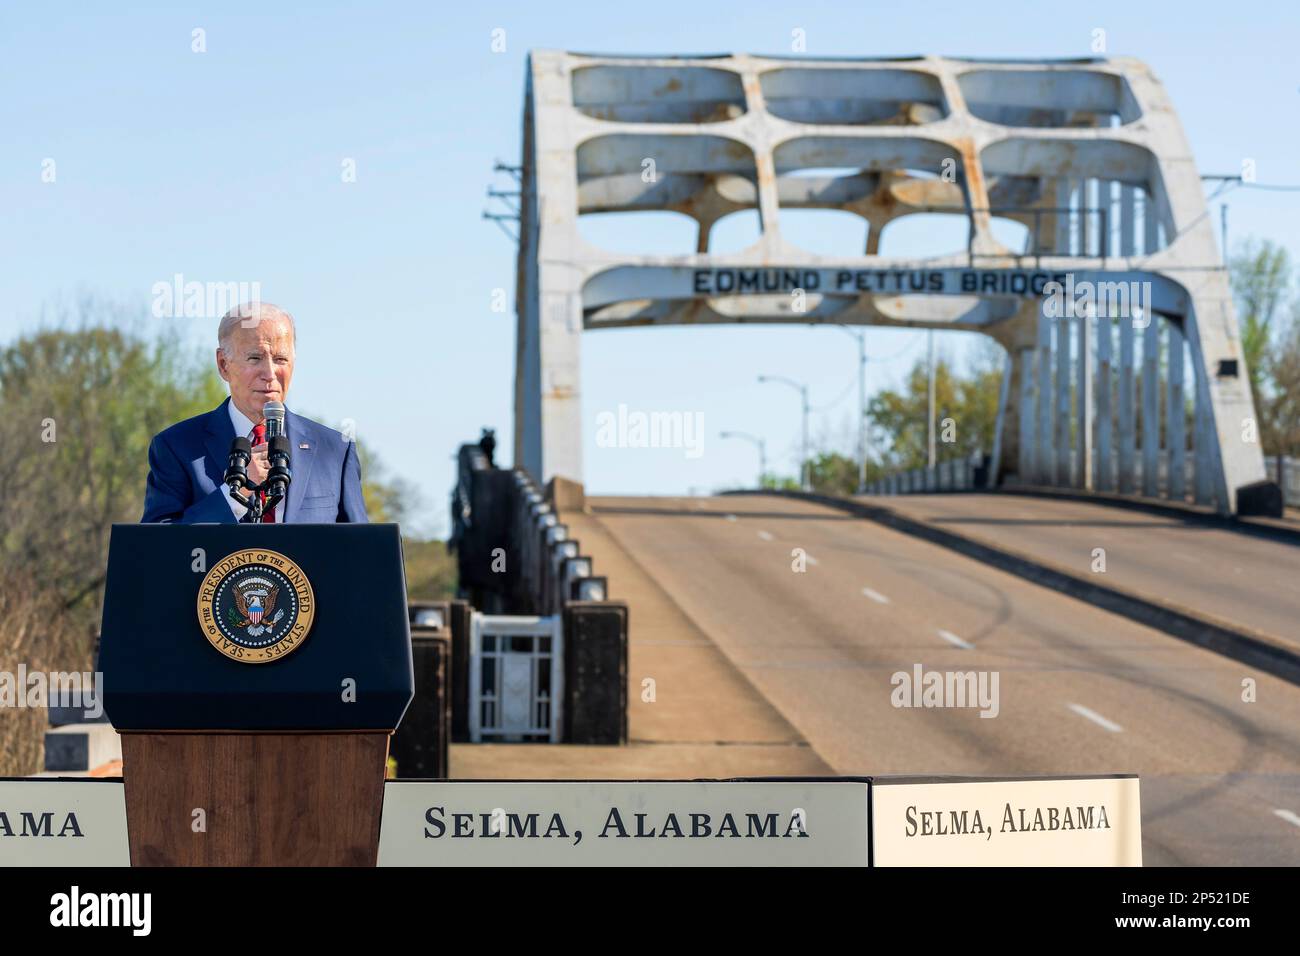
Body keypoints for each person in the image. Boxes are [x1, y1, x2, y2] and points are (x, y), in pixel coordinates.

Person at [141, 302, 368, 524]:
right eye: (255, 358)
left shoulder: (336, 450)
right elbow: (158, 549)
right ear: (223, 364)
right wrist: (235, 495)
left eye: (280, 359)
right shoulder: (176, 447)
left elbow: (361, 549)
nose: (270, 373)